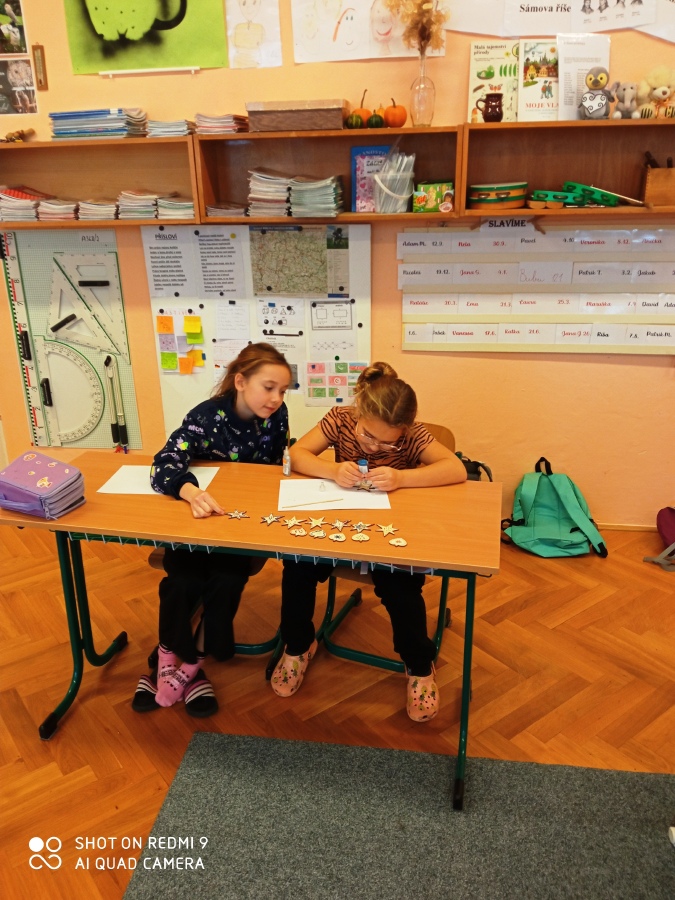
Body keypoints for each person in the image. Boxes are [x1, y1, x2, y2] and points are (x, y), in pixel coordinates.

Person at [270, 361, 467, 722]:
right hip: (340, 526)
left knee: (401, 588)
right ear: (358, 412)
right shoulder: (340, 419)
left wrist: (402, 478)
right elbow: (295, 454)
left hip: (389, 534)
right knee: (297, 567)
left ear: (404, 428)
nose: (374, 446)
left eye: (385, 442)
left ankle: (419, 666)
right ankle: (297, 646)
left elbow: (455, 468)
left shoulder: (413, 435)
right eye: (368, 436)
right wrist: (331, 469)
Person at [133, 342, 292, 717]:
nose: (276, 398)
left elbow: (275, 468)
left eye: (283, 390)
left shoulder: (277, 416)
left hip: (241, 525)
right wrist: (189, 491)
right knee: (182, 582)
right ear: (240, 381)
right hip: (198, 524)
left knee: (227, 580)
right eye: (269, 387)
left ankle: (189, 664)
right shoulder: (206, 417)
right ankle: (170, 655)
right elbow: (164, 463)